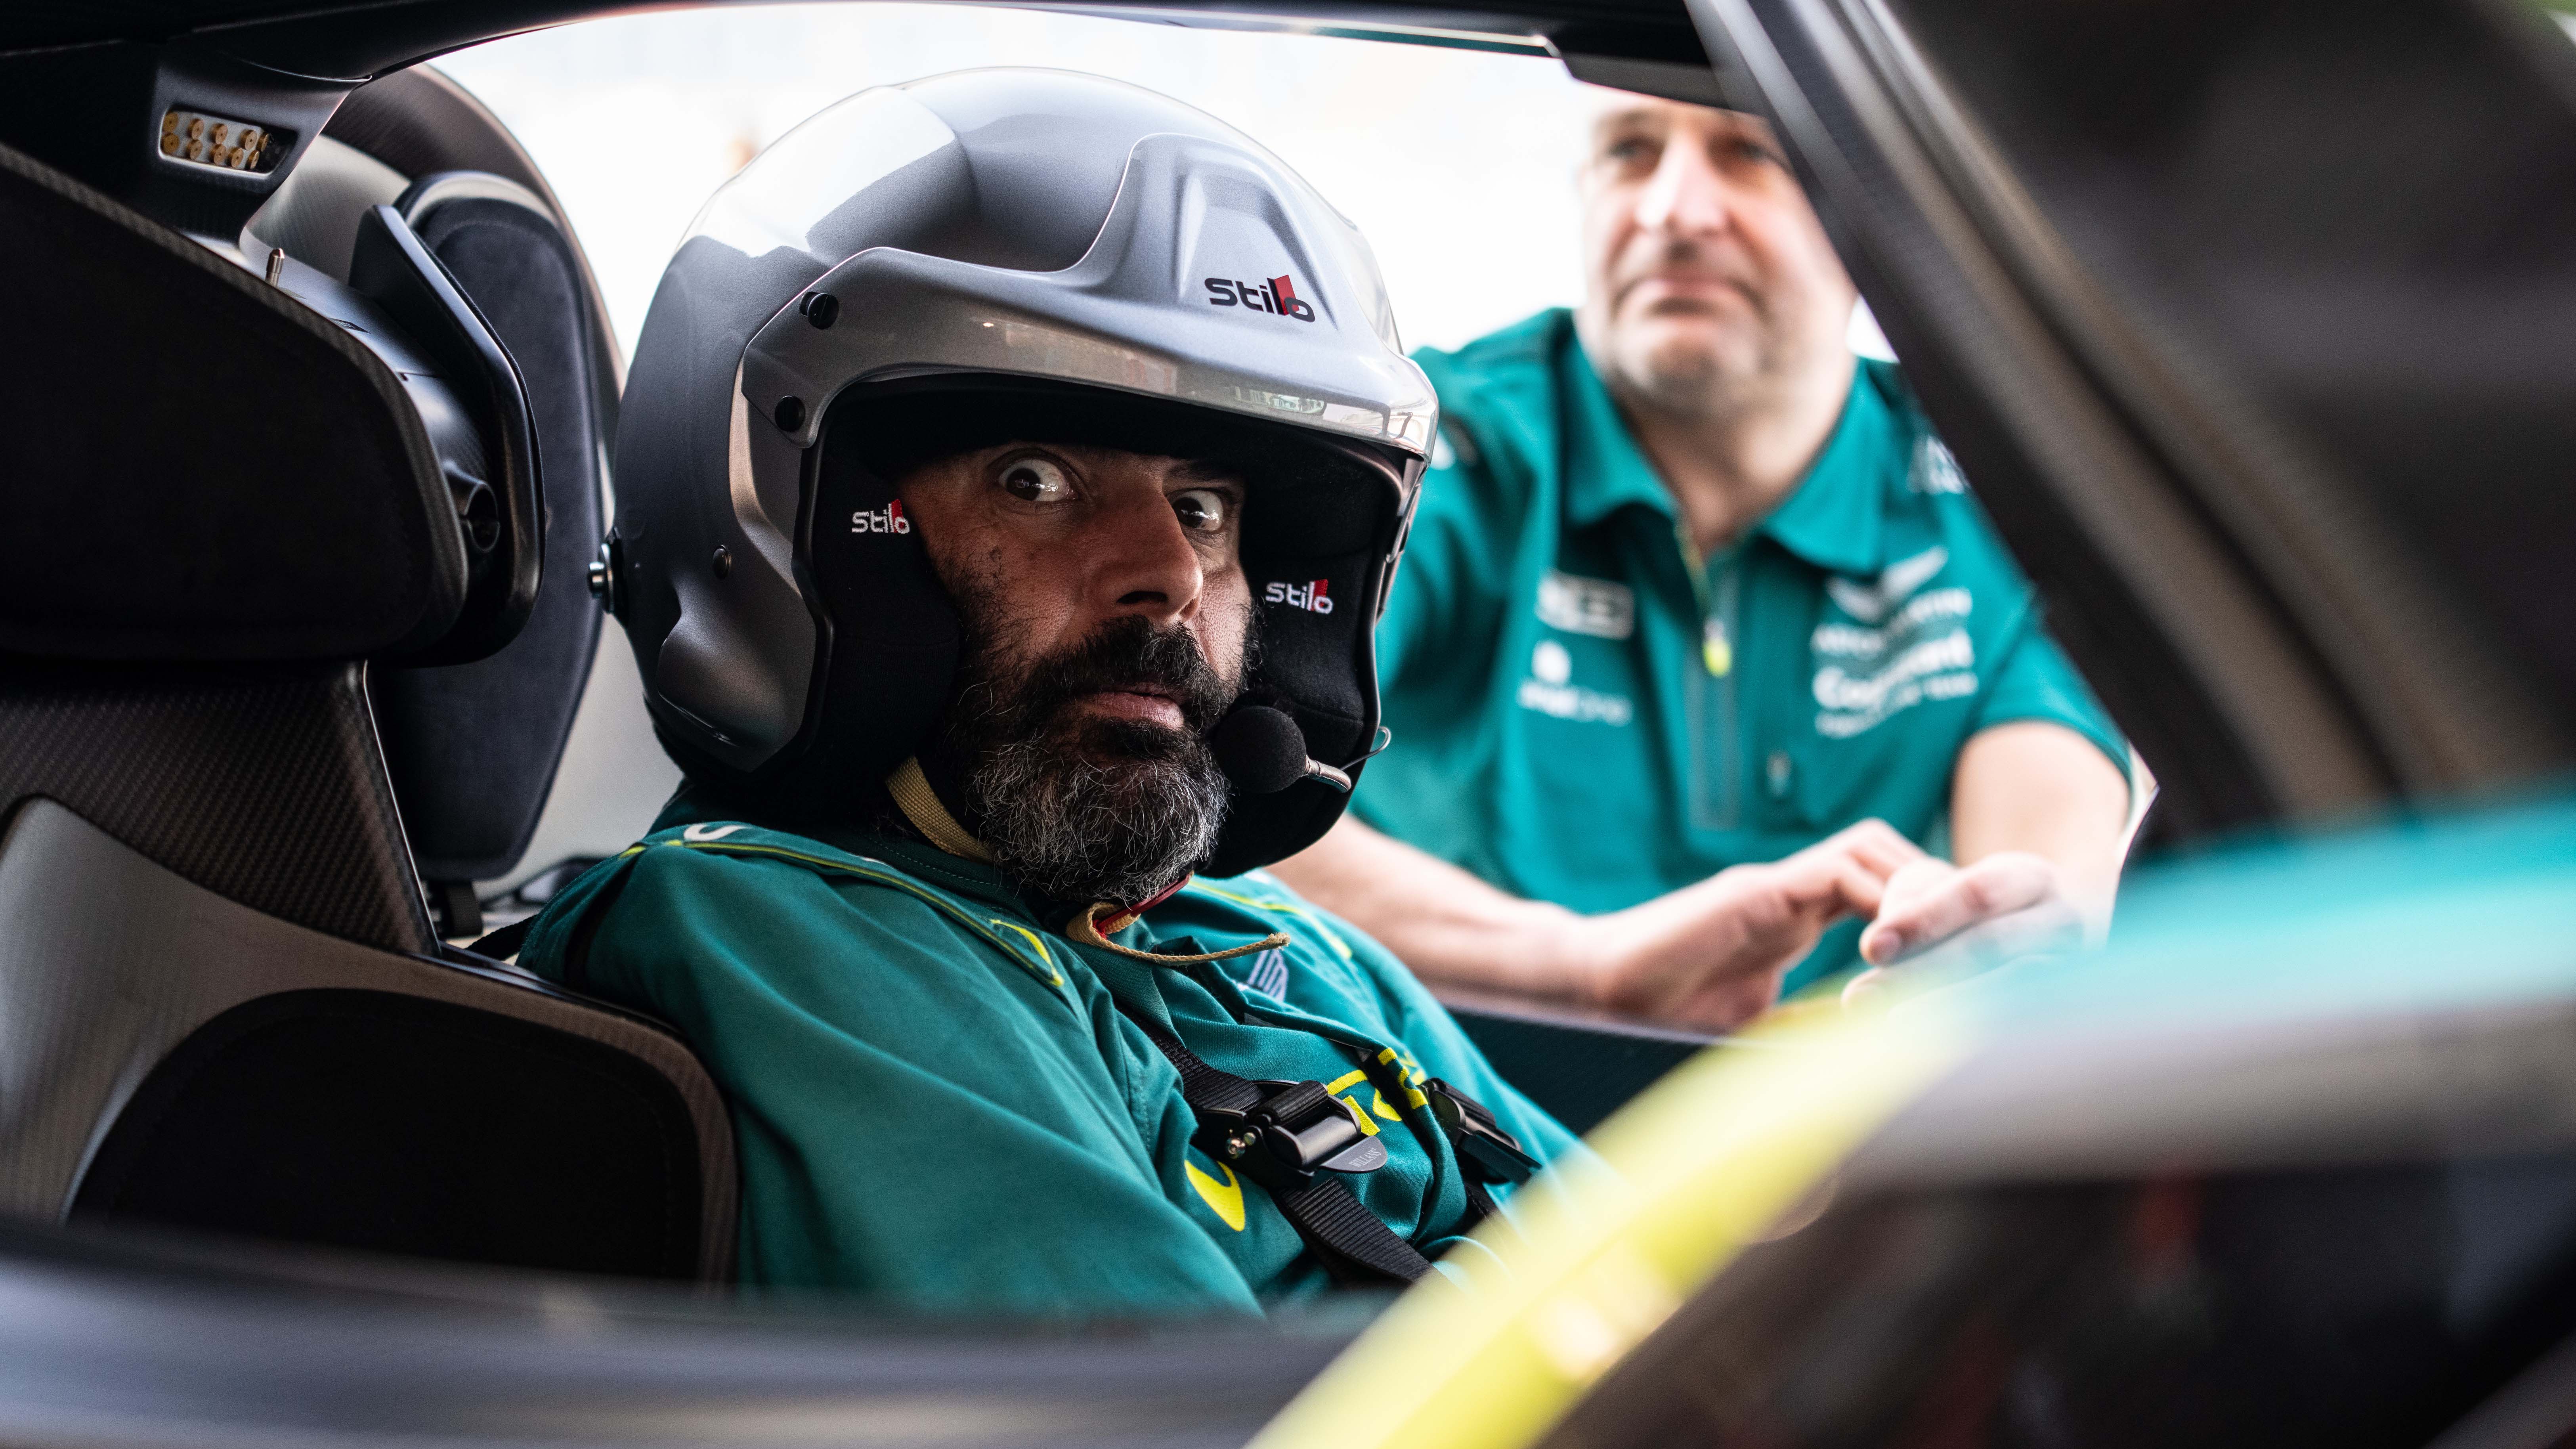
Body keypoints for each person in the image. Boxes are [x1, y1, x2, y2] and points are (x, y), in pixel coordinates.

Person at [1268, 93, 2138, 1028]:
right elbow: (1230, 786)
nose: (1671, 210)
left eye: (1750, 153)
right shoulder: (1437, 446)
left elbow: (2034, 889)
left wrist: (2011, 946)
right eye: (1632, 151)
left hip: (1835, 1118)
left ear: (1876, 209)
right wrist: (1589, 966)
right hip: (1431, 1101)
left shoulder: (2004, 489)